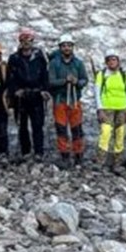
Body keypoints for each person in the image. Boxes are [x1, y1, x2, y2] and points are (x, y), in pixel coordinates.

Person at [7, 28, 51, 161]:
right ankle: (25, 151)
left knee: (38, 125)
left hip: (37, 94)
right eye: (23, 39)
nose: (26, 42)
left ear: (33, 40)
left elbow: (45, 74)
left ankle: (39, 152)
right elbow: (10, 77)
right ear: (20, 41)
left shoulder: (39, 56)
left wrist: (45, 89)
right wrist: (15, 90)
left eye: (29, 39)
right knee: (22, 125)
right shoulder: (14, 58)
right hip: (21, 95)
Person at [48, 33, 88, 167]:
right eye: (64, 46)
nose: (66, 48)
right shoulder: (54, 64)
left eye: (69, 46)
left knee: (77, 128)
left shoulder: (78, 63)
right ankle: (64, 155)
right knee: (61, 129)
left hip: (75, 100)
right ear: (60, 47)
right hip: (60, 100)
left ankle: (78, 155)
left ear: (72, 47)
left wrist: (77, 82)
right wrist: (64, 81)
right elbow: (51, 81)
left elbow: (84, 79)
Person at [94, 51, 126, 173]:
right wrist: (99, 108)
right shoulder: (101, 75)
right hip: (106, 108)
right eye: (109, 60)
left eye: (114, 59)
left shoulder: (124, 75)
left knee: (120, 133)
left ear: (118, 61)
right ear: (106, 62)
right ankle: (100, 161)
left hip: (122, 108)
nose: (112, 62)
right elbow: (97, 92)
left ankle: (117, 163)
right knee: (105, 133)